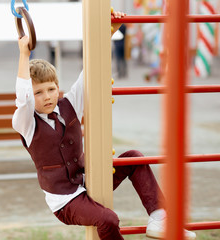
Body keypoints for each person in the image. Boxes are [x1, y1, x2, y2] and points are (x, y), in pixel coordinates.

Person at [12, 10, 197, 240]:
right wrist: (24, 54)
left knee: (134, 157)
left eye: (51, 89)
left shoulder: (69, 104)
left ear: (57, 87)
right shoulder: (26, 123)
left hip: (89, 181)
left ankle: (161, 219)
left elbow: (90, 71)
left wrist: (107, 35)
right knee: (108, 219)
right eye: (38, 93)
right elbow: (23, 99)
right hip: (65, 200)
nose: (47, 96)